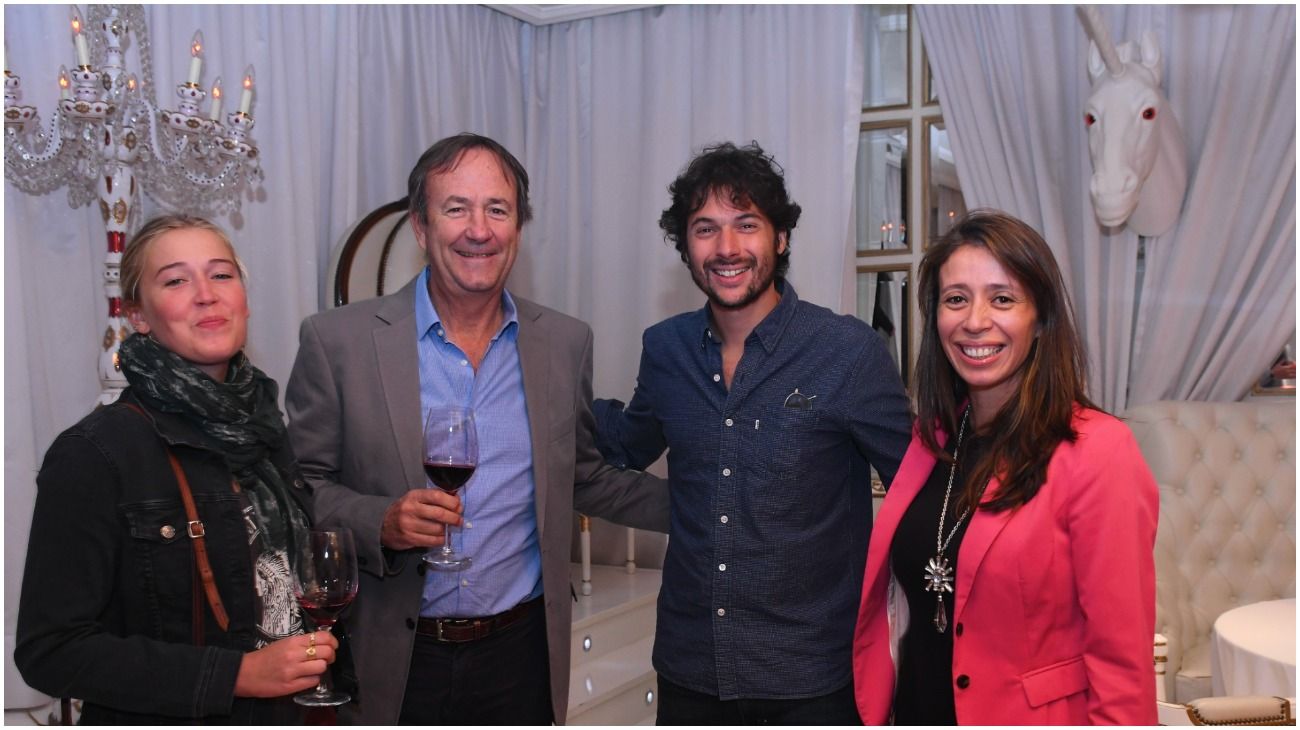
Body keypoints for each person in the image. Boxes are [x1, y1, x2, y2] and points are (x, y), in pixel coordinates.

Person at [285, 132, 670, 725]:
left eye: (497, 209)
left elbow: (583, 476)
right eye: (456, 208)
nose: (478, 229)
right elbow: (299, 488)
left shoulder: (564, 343)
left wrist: (711, 503)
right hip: (395, 656)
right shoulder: (338, 342)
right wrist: (380, 522)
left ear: (518, 227)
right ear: (421, 226)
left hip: (520, 656)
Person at [594, 141, 912, 724]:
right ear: (685, 247)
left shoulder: (848, 353)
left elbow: (921, 489)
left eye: (747, 225)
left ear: (780, 238)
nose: (727, 248)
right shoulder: (666, 349)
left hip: (811, 679)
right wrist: (540, 391)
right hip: (689, 671)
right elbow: (626, 442)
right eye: (705, 229)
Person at [15, 215, 336, 724]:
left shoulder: (265, 428)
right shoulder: (96, 452)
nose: (205, 295)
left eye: (221, 274)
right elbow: (51, 651)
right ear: (138, 315)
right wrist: (233, 676)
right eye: (176, 280)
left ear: (244, 299)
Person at [852, 210, 1159, 725]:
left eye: (1002, 298)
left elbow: (1121, 661)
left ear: (1040, 318)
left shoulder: (1099, 452)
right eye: (955, 299)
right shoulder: (932, 442)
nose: (975, 320)